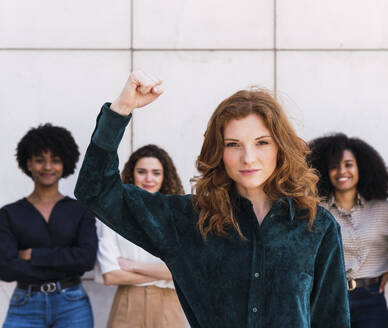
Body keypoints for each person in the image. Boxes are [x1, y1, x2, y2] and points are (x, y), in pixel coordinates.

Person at [74, 70, 350, 328]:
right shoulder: (188, 220)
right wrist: (121, 110)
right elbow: (95, 190)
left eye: (261, 142)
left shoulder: (316, 225)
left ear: (281, 147)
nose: (248, 158)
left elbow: (332, 318)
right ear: (218, 151)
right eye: (233, 144)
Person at [0, 124, 97, 328]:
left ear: (65, 165)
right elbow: (6, 268)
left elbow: (86, 259)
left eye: (55, 160)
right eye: (39, 160)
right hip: (25, 303)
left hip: (72, 305)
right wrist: (64, 260)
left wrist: (32, 255)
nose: (47, 167)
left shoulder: (80, 211)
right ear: (28, 164)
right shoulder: (9, 214)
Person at [308, 133, 388, 328]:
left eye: (348, 164)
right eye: (334, 166)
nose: (341, 171)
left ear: (361, 167)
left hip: (371, 300)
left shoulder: (385, 211)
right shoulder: (315, 212)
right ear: (324, 172)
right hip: (328, 299)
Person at [97, 144, 187, 327]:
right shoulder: (113, 215)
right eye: (141, 172)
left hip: (168, 305)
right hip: (128, 303)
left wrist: (132, 266)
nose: (148, 179)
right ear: (131, 174)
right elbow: (111, 276)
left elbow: (186, 270)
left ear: (164, 177)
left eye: (156, 173)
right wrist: (165, 274)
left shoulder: (181, 217)